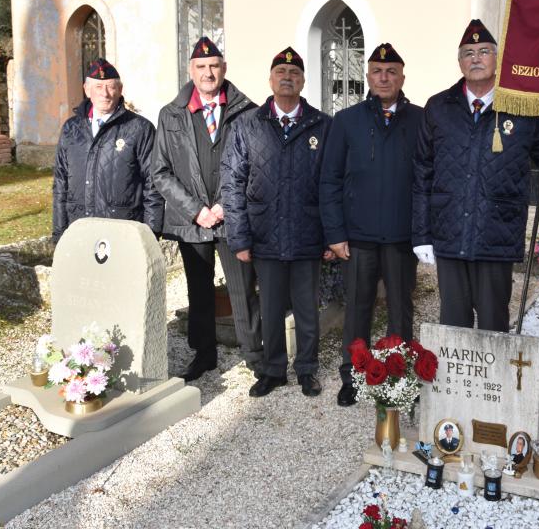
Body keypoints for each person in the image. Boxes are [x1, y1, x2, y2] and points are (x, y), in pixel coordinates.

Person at [412, 19, 539, 331]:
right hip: (450, 234)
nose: (476, 58)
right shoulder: (438, 107)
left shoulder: (523, 107)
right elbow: (422, 173)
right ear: (459, 61)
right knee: (452, 328)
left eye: (484, 51)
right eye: (468, 52)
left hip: (496, 236)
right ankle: (453, 383)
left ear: (497, 59)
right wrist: (421, 235)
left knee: (493, 326)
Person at [221, 47, 333, 398]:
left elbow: (333, 184)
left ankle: (307, 369)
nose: (287, 78)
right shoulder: (247, 125)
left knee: (307, 308)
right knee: (269, 307)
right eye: (281, 73)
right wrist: (238, 238)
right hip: (264, 233)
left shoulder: (321, 125)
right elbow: (232, 181)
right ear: (270, 80)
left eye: (294, 74)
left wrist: (333, 236)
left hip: (307, 234)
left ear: (303, 80)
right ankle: (272, 370)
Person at [320, 42, 423, 407]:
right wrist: (334, 234)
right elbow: (329, 179)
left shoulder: (419, 120)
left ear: (402, 77)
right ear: (368, 77)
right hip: (357, 238)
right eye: (377, 71)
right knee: (357, 310)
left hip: (400, 237)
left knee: (400, 310)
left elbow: (427, 180)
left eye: (391, 71)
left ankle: (401, 376)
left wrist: (423, 235)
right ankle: (352, 375)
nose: (384, 77)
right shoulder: (347, 121)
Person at [152, 37, 261, 382]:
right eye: (201, 67)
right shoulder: (171, 114)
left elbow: (257, 165)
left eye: (214, 66)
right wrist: (197, 210)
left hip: (234, 217)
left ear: (224, 69)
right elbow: (161, 171)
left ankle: (254, 356)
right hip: (192, 220)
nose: (208, 72)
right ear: (191, 71)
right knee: (198, 290)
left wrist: (225, 207)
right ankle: (204, 354)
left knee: (242, 289)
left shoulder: (248, 111)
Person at [52, 58, 162, 243]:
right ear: (87, 90)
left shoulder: (139, 128)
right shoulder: (71, 129)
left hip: (123, 232)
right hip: (79, 230)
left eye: (111, 87)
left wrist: (150, 234)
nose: (105, 93)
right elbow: (60, 184)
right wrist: (59, 235)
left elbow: (153, 185)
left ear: (120, 90)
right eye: (98, 87)